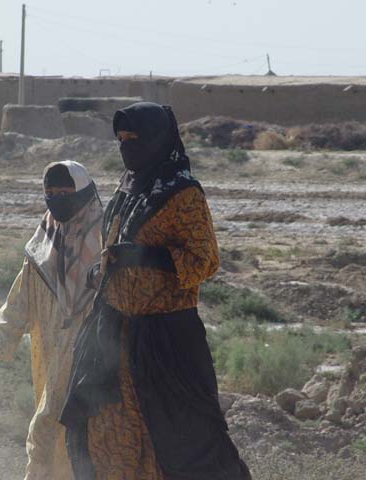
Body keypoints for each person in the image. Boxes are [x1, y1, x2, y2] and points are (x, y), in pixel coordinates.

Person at [60, 103, 251, 480]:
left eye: (135, 139)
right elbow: (113, 246)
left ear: (158, 140)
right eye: (121, 139)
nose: (127, 146)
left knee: (178, 444)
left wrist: (148, 257)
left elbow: (205, 261)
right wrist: (104, 267)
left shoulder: (183, 195)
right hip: (113, 335)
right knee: (106, 436)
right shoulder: (127, 189)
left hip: (164, 343)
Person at [0, 160, 103, 480]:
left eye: (65, 191)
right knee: (55, 432)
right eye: (50, 192)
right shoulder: (43, 244)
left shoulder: (106, 240)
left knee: (51, 428)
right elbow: (20, 301)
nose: (57, 198)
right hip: (50, 358)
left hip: (94, 357)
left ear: (84, 193)